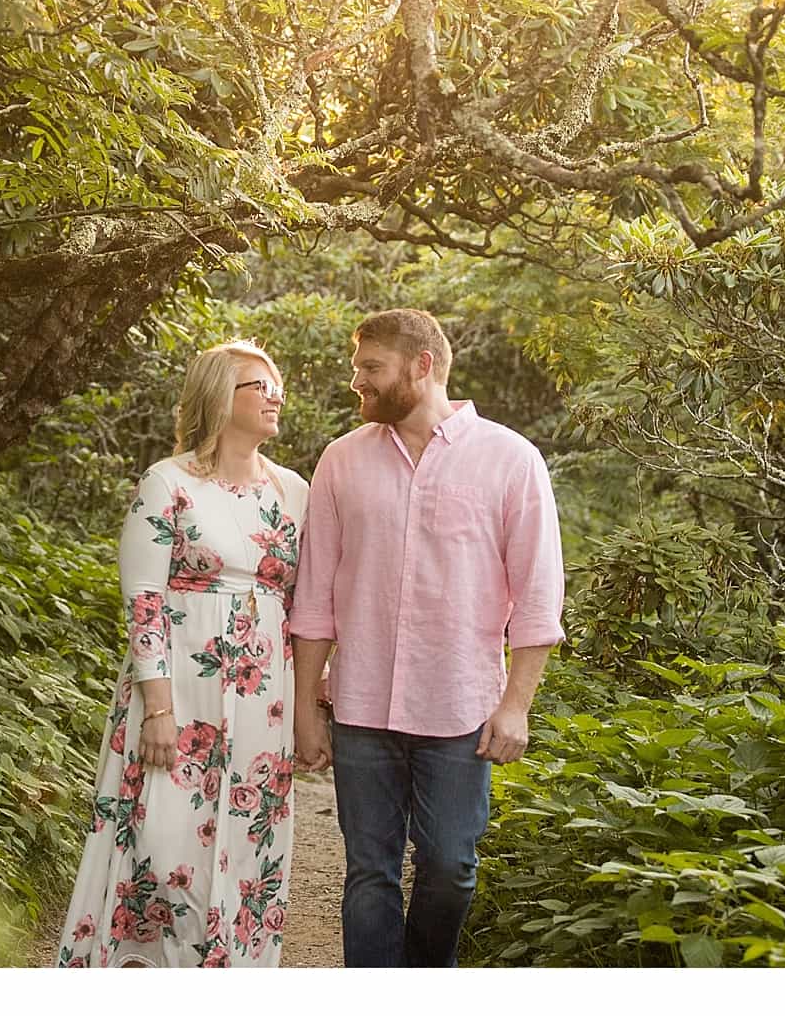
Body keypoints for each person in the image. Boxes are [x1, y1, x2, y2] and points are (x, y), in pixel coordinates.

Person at [290, 308, 563, 969]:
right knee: (369, 873)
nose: (358, 382)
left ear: (422, 366)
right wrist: (304, 709)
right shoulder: (341, 461)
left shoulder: (510, 459)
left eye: (370, 368)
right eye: (356, 368)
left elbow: (536, 596)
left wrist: (516, 704)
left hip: (459, 710)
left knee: (450, 866)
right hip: (361, 706)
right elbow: (315, 596)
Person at [56, 342, 309, 967]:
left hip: (262, 700)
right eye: (261, 386)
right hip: (178, 694)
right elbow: (143, 598)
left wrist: (312, 701)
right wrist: (157, 708)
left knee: (248, 851)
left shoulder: (295, 490)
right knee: (165, 853)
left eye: (279, 386)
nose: (276, 397)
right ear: (221, 396)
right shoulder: (167, 482)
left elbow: (307, 604)